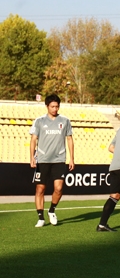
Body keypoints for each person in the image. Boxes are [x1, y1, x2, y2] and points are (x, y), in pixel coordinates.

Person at [29, 94, 74, 228]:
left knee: (59, 188)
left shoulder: (65, 121)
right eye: (52, 106)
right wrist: (32, 157)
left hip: (59, 159)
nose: (55, 109)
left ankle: (52, 210)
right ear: (47, 106)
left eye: (57, 106)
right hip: (42, 160)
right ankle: (40, 217)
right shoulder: (39, 121)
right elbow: (33, 140)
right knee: (40, 189)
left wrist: (72, 158)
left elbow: (70, 139)